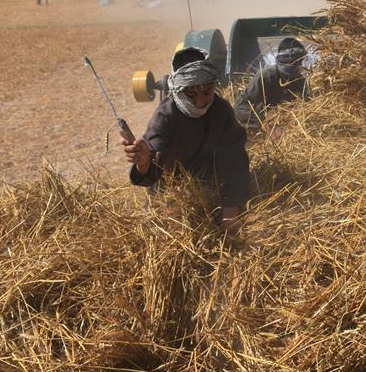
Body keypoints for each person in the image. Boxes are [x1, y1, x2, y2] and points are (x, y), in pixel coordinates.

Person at [121, 49, 251, 231]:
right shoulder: (165, 116)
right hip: (173, 198)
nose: (200, 102)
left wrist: (232, 207)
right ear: (177, 89)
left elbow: (236, 161)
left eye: (206, 92)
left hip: (213, 191)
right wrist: (143, 164)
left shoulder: (221, 110)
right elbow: (150, 167)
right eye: (191, 94)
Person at [234, 37, 310, 129]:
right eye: (292, 62)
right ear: (282, 60)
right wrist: (263, 122)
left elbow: (306, 109)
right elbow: (240, 107)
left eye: (299, 61)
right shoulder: (265, 77)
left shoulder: (300, 81)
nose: (296, 65)